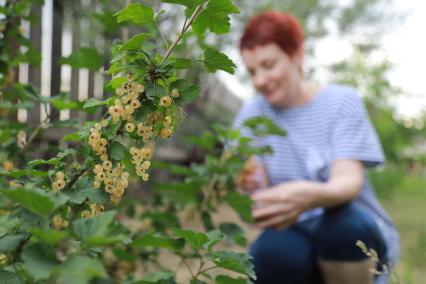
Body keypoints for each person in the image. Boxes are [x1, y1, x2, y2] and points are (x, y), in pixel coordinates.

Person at [233, 11, 400, 284]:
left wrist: (306, 195)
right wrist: (250, 184)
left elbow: (348, 183)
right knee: (268, 253)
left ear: (297, 54)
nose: (260, 80)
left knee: (345, 228)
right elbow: (248, 180)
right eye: (252, 71)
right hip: (294, 228)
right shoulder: (251, 114)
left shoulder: (341, 102)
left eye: (269, 64)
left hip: (351, 229)